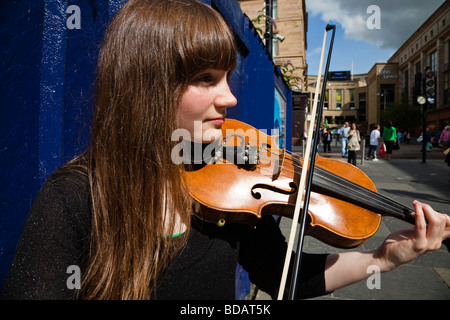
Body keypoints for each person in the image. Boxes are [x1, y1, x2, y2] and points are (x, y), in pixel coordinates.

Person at [1, 0, 449, 300]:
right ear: (146, 87)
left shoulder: (230, 192)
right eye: (206, 79)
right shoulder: (74, 199)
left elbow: (280, 275)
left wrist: (383, 258)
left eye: (228, 78)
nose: (230, 98)